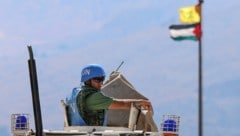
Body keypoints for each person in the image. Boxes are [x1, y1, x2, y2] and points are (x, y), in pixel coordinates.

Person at [66, 64, 152, 126]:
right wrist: (140, 102)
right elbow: (122, 104)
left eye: (102, 79)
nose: (101, 83)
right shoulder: (94, 97)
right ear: (87, 80)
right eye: (97, 80)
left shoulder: (73, 94)